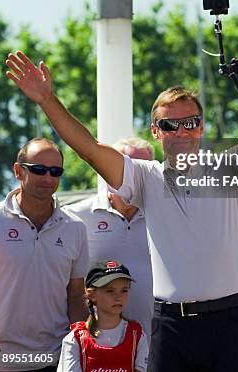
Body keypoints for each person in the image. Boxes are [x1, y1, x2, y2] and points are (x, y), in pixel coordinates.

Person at [6, 16, 238, 372]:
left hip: (229, 322)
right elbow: (89, 148)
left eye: (190, 122)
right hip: (170, 326)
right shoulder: (144, 176)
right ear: (156, 131)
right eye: (170, 124)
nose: (182, 132)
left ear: (202, 127)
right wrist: (46, 99)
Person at [0, 138, 89, 372]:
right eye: (39, 170)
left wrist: (82, 347)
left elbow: (76, 296)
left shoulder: (75, 227)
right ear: (18, 171)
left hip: (55, 358)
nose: (48, 179)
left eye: (55, 171)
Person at [66, 137, 154, 341]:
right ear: (105, 170)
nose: (131, 179)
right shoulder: (75, 216)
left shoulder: (165, 217)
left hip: (156, 344)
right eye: (124, 169)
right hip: (98, 347)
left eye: (140, 172)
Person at [57, 260, 148, 372]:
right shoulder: (75, 339)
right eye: (110, 291)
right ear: (92, 295)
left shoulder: (137, 335)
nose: (118, 297)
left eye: (124, 290)